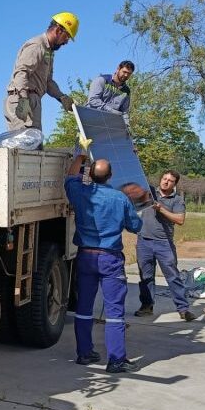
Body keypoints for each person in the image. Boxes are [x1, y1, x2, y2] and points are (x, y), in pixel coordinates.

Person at [65, 151, 143, 373]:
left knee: (84, 307)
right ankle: (116, 359)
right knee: (114, 311)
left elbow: (70, 179)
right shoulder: (120, 199)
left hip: (85, 256)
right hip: (110, 258)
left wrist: (80, 158)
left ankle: (84, 353)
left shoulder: (80, 193)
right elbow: (135, 227)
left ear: (90, 174)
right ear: (111, 176)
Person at [135, 170, 198, 321]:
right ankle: (147, 306)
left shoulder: (177, 200)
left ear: (174, 184)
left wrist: (161, 209)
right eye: (164, 178)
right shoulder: (149, 191)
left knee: (173, 276)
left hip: (164, 244)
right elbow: (137, 175)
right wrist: (134, 155)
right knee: (146, 277)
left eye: (170, 181)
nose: (165, 182)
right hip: (144, 241)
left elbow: (180, 220)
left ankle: (183, 309)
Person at [3, 12, 78, 133]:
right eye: (67, 36)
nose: (66, 42)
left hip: (33, 100)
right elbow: (21, 73)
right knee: (23, 145)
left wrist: (62, 97)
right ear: (59, 30)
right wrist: (23, 100)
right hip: (22, 99)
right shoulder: (37, 45)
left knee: (35, 145)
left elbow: (48, 82)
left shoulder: (49, 52)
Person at [87, 60, 134, 125]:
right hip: (90, 120)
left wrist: (126, 125)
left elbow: (124, 111)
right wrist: (111, 111)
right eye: (124, 72)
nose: (126, 75)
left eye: (129, 74)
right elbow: (92, 100)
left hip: (108, 125)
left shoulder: (126, 91)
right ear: (118, 69)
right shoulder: (102, 80)